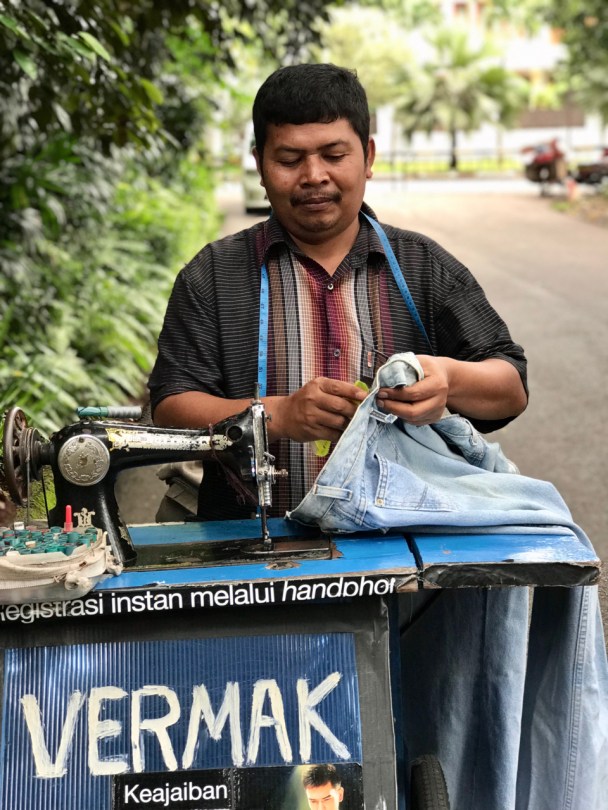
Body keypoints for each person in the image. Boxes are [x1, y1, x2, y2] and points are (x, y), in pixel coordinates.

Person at [149, 64, 607, 808]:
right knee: (277, 771)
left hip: (415, 586)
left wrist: (448, 381)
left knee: (411, 744)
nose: (314, 176)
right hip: (254, 574)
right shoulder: (215, 278)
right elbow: (170, 407)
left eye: (333, 154)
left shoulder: (420, 267)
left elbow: (510, 381)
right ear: (261, 162)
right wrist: (274, 415)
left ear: (368, 152)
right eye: (290, 158)